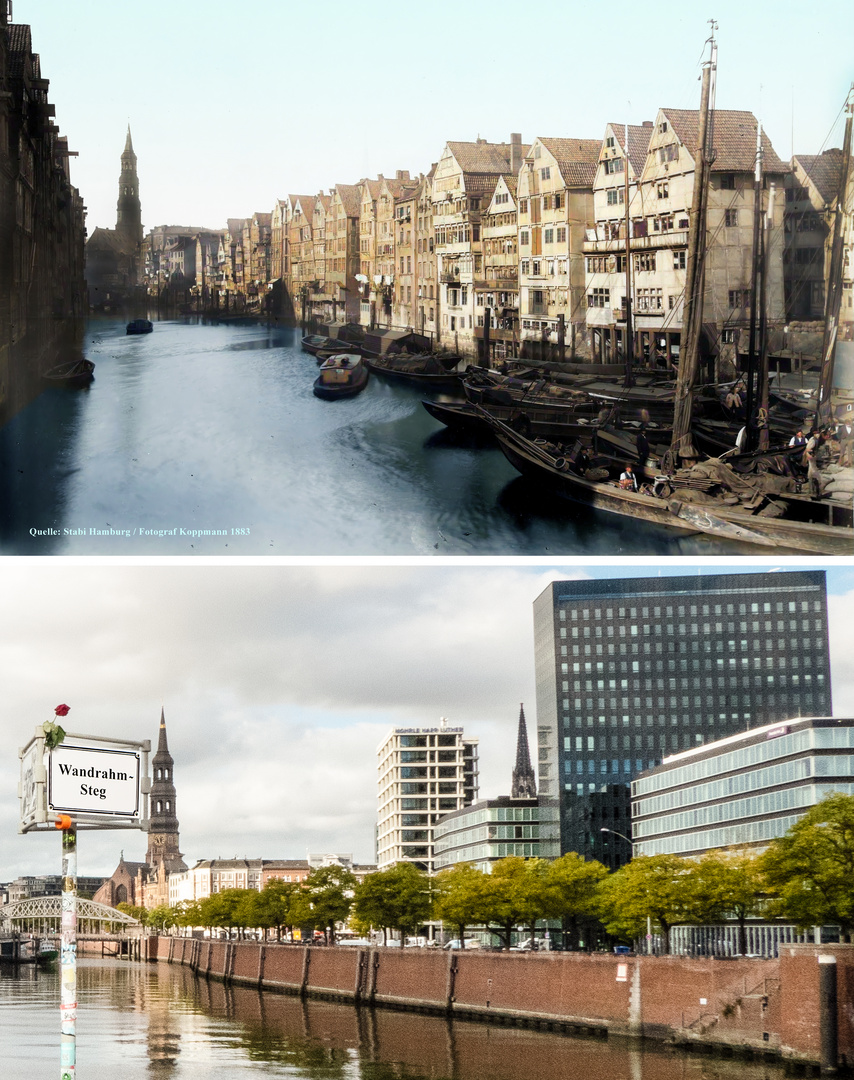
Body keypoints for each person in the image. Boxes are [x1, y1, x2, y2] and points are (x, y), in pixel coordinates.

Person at [803, 429, 825, 498]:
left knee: (811, 469)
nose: (818, 435)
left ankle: (810, 483)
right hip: (810, 455)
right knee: (814, 469)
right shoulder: (813, 440)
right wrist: (811, 453)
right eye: (817, 433)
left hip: (811, 455)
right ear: (814, 434)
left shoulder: (815, 439)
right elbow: (808, 449)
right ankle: (817, 482)